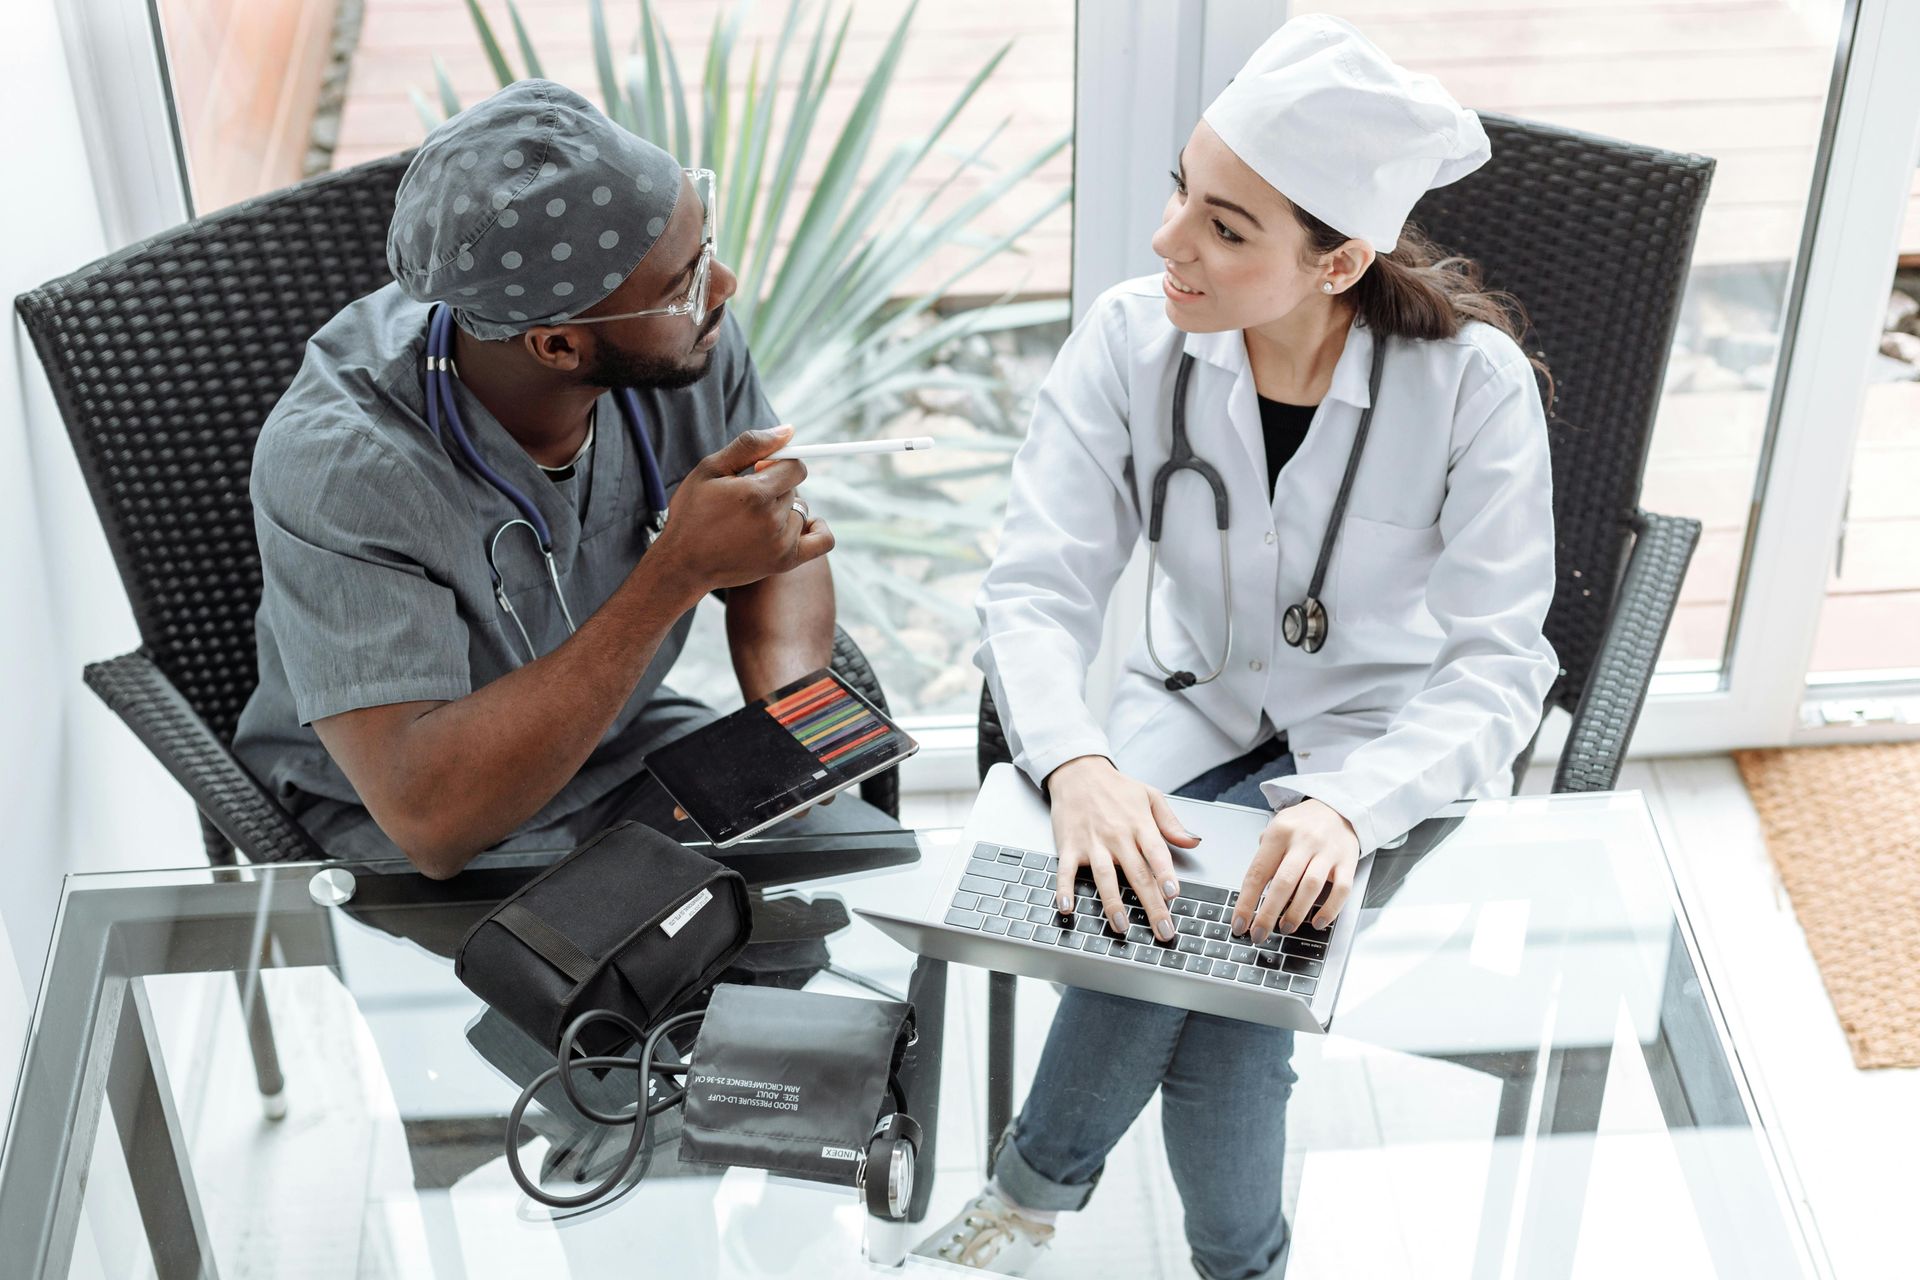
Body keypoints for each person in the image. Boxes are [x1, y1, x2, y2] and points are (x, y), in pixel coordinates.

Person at [925, 16, 1559, 1278]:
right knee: (1214, 975)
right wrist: (1078, 765)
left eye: (1226, 227)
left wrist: (1348, 804)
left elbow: (1501, 667)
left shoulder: (1473, 387)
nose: (1169, 243)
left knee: (1190, 964)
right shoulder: (1127, 340)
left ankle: (1020, 1207)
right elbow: (1037, 587)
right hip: (1181, 720)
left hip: (1382, 755)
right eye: (1181, 192)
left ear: (1336, 265)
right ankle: (1242, 1269)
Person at [232, 80, 885, 876]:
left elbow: (773, 538)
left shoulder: (685, 339)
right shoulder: (345, 466)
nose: (721, 287)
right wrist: (675, 573)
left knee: (837, 911)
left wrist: (793, 717)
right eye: (683, 282)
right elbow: (431, 821)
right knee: (637, 984)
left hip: (628, 745)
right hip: (415, 820)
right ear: (558, 348)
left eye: (702, 246)